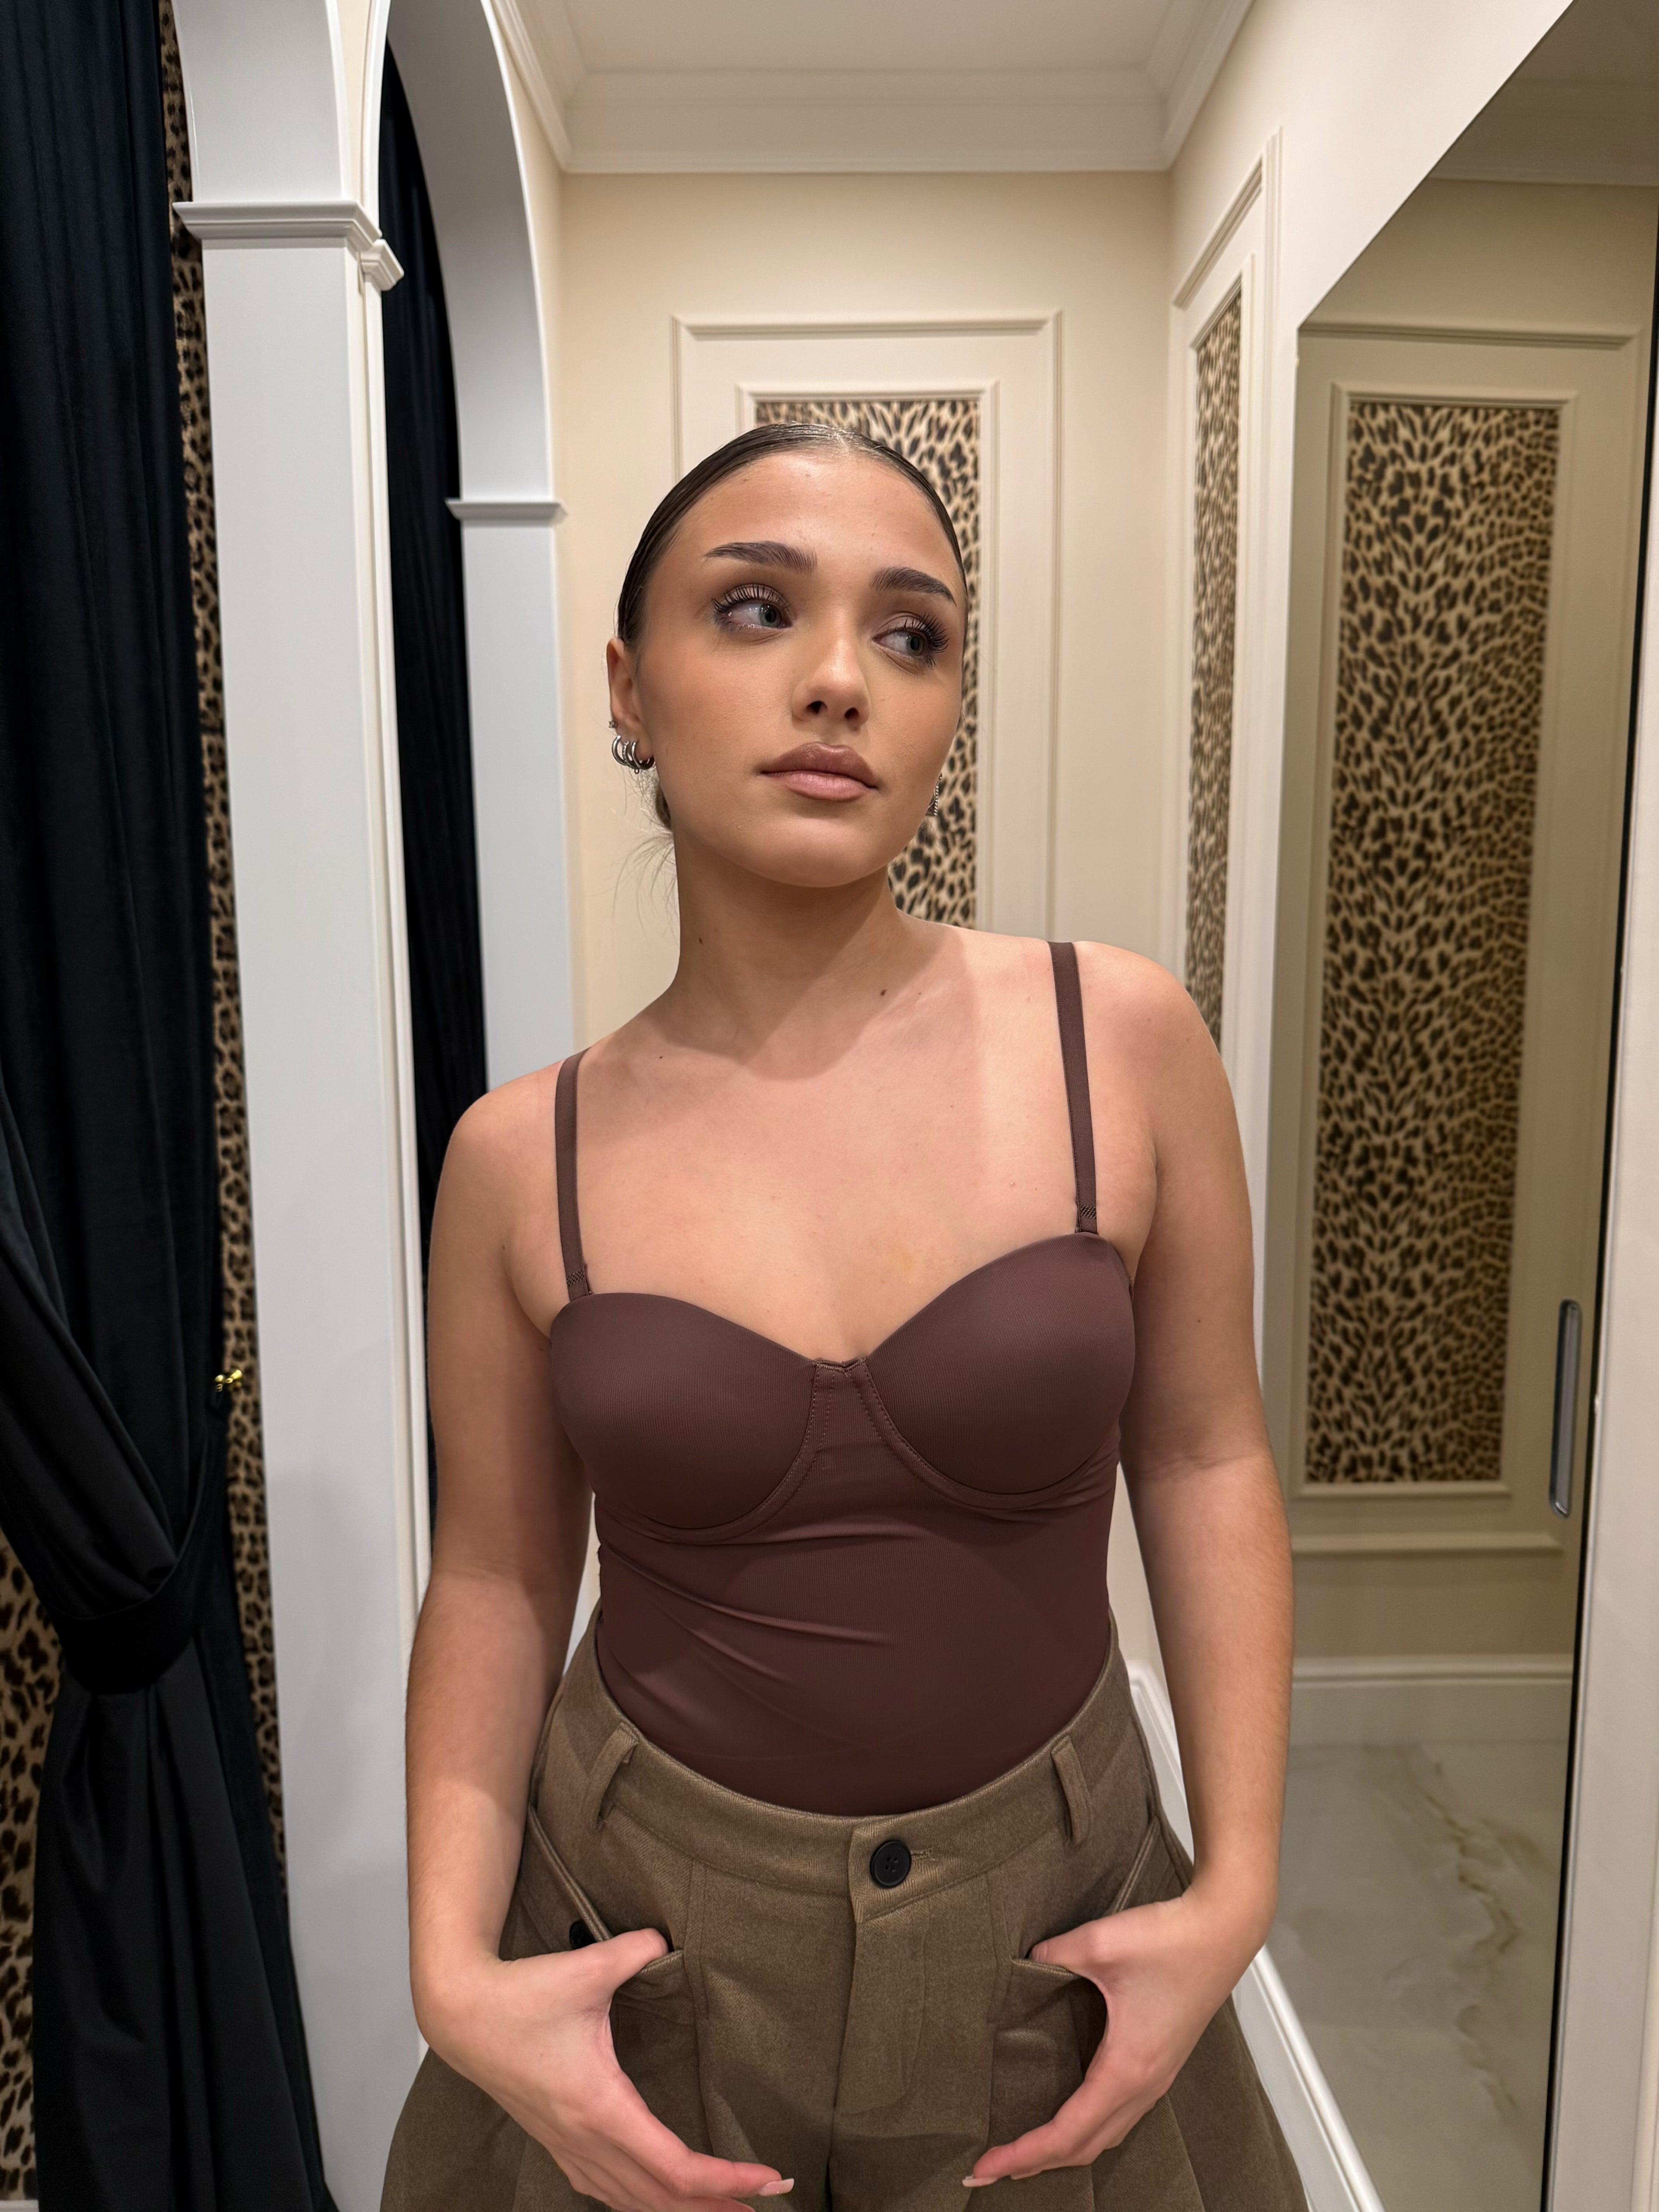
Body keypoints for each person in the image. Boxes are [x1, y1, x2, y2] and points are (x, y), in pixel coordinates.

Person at [381, 421, 1304, 2212]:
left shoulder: (1118, 1043)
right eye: (756, 610)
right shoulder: (516, 1156)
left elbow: (1205, 1458)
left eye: (912, 634)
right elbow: (495, 1573)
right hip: (642, 1923)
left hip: (1057, 1908)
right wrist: (448, 1968)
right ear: (629, 689)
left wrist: (1241, 1883)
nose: (839, 682)